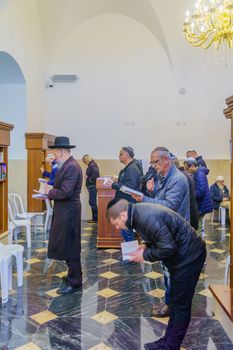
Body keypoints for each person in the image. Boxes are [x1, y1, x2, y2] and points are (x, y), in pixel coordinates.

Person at [106, 199, 206, 350]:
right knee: (173, 300)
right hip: (182, 256)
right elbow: (160, 236)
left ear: (123, 215)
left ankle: (171, 346)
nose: (117, 227)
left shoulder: (145, 217)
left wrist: (144, 255)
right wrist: (145, 246)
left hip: (189, 257)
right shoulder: (138, 214)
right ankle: (167, 341)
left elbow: (168, 247)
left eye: (116, 223)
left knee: (180, 305)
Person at [132, 147, 190, 318]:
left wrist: (144, 198)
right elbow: (161, 199)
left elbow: (169, 206)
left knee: (172, 271)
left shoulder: (178, 179)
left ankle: (173, 306)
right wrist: (150, 192)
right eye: (152, 162)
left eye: (156, 162)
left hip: (176, 231)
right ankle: (169, 302)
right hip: (167, 230)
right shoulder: (164, 176)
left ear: (167, 159)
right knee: (167, 269)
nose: (153, 166)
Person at [44, 136, 83, 295]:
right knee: (66, 243)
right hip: (64, 211)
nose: (54, 155)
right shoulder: (67, 165)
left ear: (60, 152)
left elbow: (65, 192)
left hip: (69, 212)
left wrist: (49, 192)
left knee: (70, 244)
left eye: (55, 152)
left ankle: (75, 281)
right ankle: (73, 275)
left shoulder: (72, 166)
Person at [107, 146, 141, 241]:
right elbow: (128, 183)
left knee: (127, 231)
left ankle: (130, 255)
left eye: (121, 154)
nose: (119, 156)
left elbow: (130, 187)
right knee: (125, 231)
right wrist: (118, 180)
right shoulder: (128, 168)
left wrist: (114, 184)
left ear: (127, 155)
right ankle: (129, 254)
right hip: (125, 204)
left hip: (128, 204)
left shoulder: (132, 168)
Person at [184, 157, 213, 234]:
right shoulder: (197, 173)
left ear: (193, 166)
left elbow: (201, 192)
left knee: (198, 228)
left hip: (202, 205)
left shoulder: (199, 174)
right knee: (198, 226)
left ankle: (199, 245)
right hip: (201, 204)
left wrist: (190, 194)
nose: (186, 171)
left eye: (187, 168)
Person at [82, 154, 100, 223]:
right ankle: (95, 218)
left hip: (92, 186)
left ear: (86, 160)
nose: (84, 163)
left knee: (92, 202)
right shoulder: (92, 164)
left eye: (84, 161)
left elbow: (96, 174)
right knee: (92, 202)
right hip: (92, 186)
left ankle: (95, 219)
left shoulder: (92, 165)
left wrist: (89, 179)